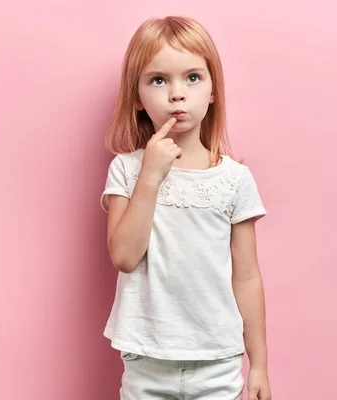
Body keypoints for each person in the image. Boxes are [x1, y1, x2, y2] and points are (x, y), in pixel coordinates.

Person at [99, 15, 272, 400]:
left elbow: (246, 276)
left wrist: (258, 364)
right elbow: (125, 257)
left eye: (192, 77)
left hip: (218, 362)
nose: (177, 93)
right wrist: (150, 175)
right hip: (147, 359)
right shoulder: (126, 170)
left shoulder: (234, 179)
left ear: (213, 91)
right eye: (158, 80)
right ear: (138, 98)